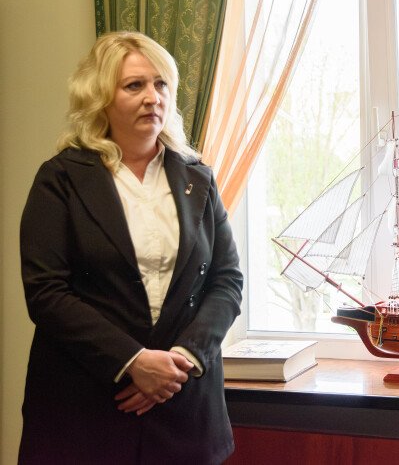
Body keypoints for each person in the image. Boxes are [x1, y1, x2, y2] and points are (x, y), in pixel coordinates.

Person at [19, 32, 243, 464]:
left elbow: (227, 281)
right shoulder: (60, 179)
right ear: (100, 98)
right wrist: (134, 362)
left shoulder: (198, 178)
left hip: (185, 409)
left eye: (161, 84)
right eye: (134, 86)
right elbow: (46, 292)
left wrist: (180, 361)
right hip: (85, 411)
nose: (152, 98)